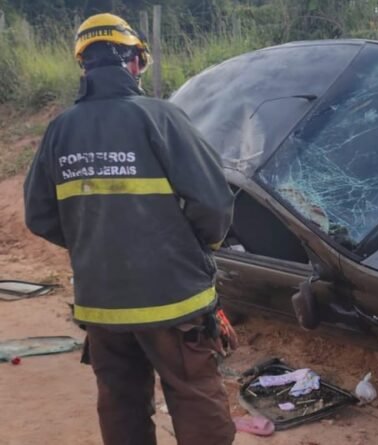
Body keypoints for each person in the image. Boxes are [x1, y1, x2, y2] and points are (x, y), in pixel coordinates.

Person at [23, 13, 236, 445]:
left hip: (103, 302)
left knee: (120, 401)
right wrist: (201, 247)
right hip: (174, 298)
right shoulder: (161, 118)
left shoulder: (60, 130)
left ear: (84, 66)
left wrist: (94, 243)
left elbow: (39, 215)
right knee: (194, 394)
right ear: (136, 61)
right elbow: (213, 204)